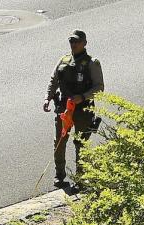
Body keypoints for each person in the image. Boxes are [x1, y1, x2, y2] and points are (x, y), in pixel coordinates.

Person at [44, 30, 104, 189]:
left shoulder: (92, 63)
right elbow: (54, 81)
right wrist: (47, 98)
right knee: (60, 142)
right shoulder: (63, 60)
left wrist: (83, 97)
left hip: (82, 110)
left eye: (77, 41)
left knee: (81, 144)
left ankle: (81, 179)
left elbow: (99, 87)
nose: (74, 44)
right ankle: (59, 177)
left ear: (84, 43)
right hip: (63, 108)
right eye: (71, 41)